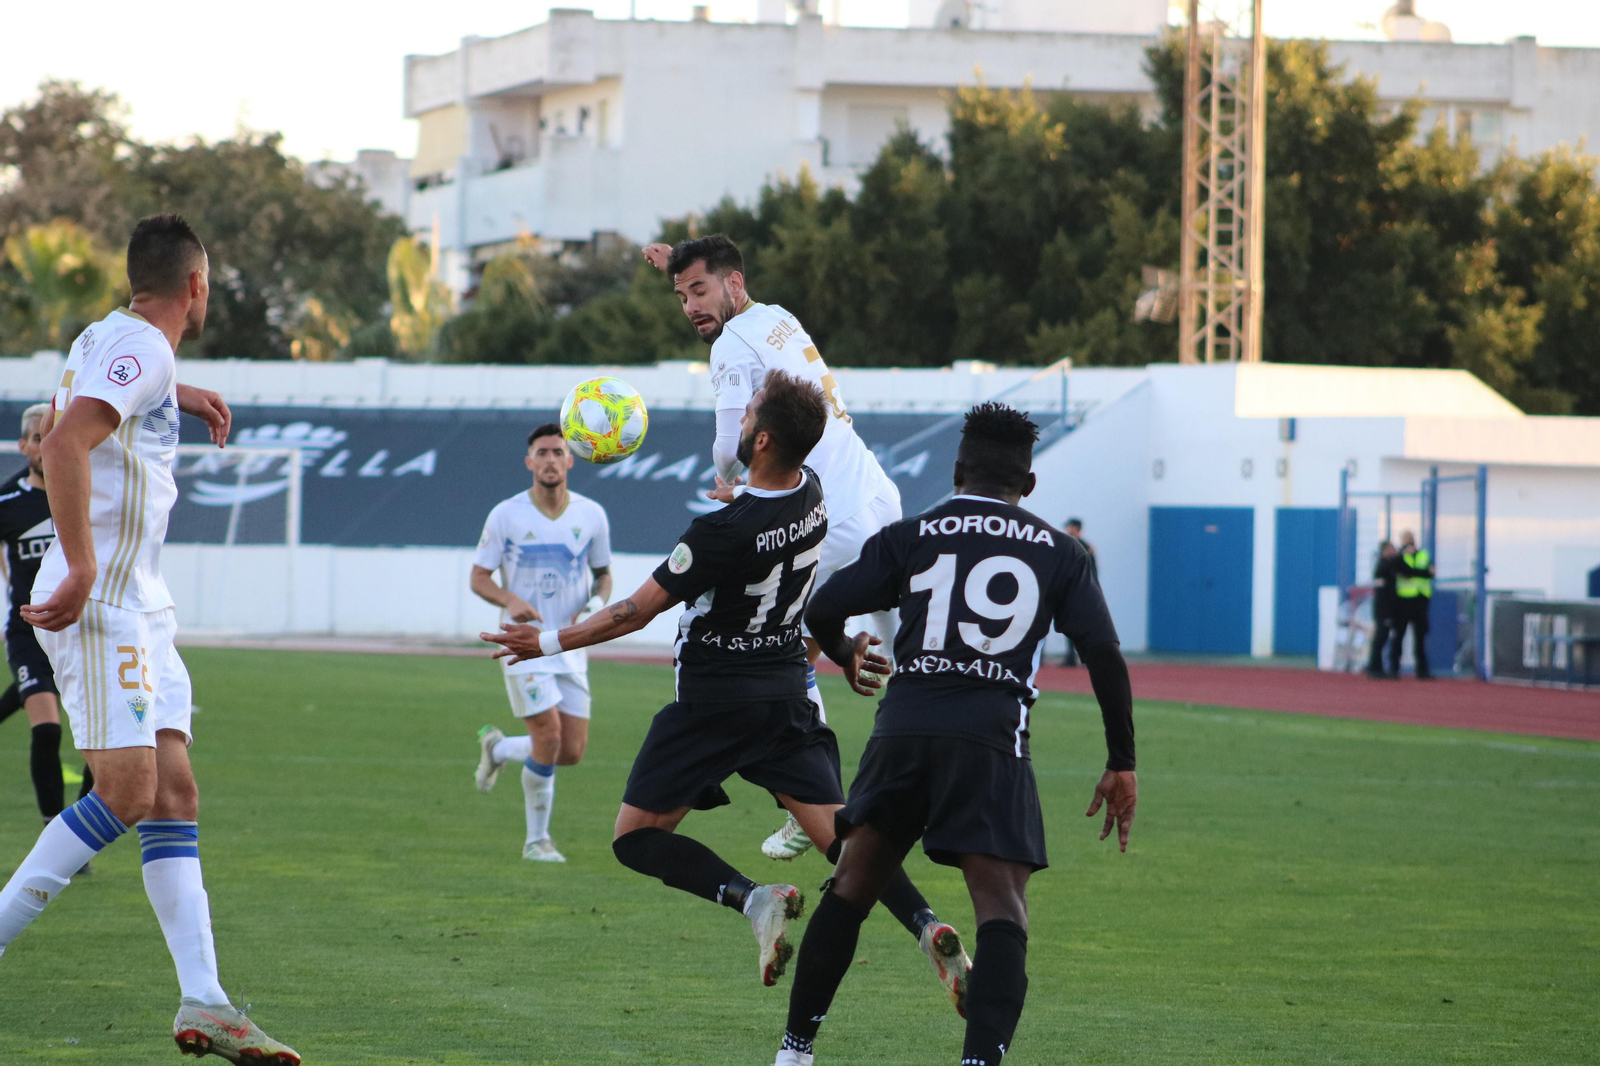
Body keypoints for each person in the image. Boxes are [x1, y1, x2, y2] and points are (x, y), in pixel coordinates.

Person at [481, 371, 970, 1009]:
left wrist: (545, 641)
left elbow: (634, 611)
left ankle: (754, 898)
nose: (738, 421)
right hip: (786, 693)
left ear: (763, 440)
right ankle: (929, 926)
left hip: (714, 701)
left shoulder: (717, 534)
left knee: (635, 839)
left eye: (748, 417)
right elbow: (769, 517)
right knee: (846, 846)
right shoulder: (813, 492)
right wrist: (739, 496)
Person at [0, 215, 299, 1064]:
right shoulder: (147, 350)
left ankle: (205, 1001)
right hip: (108, 602)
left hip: (145, 604)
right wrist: (84, 565)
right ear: (196, 287)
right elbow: (63, 444)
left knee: (174, 793)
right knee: (126, 793)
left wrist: (180, 394)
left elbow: (109, 401)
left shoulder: (113, 335)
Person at [769, 402, 1138, 1066]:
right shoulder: (1062, 552)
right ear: (1028, 486)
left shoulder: (912, 536)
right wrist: (1121, 760)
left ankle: (794, 1053)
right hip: (990, 739)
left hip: (903, 732)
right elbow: (1104, 654)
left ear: (958, 469)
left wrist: (846, 651)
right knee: (1001, 909)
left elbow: (822, 606)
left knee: (852, 886)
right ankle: (979, 1062)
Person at [645, 234, 901, 862]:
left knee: (762, 649)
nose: (688, 307)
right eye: (681, 296)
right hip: (877, 499)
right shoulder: (775, 317)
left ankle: (805, 796)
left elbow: (730, 442)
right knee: (853, 662)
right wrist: (681, 262)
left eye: (698, 291)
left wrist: (729, 480)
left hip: (829, 521)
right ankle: (913, 772)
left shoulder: (732, 342)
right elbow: (720, 272)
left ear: (733, 284)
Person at [469, 424, 612, 863]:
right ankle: (537, 841)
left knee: (570, 751)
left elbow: (604, 575)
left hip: (568, 644)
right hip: (520, 644)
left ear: (571, 461)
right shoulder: (506, 515)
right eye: (542, 452)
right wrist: (510, 599)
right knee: (548, 737)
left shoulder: (592, 516)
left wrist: (593, 607)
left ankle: (499, 748)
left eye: (558, 452)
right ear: (529, 462)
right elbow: (478, 577)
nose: (550, 459)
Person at [0, 405, 95, 829]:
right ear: (24, 447)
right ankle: (53, 829)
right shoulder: (8, 501)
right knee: (48, 731)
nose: (45, 444)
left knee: (102, 743)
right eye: (37, 438)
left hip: (84, 630)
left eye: (52, 434)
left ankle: (83, 831)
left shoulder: (84, 492)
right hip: (30, 631)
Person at [1389, 530, 1435, 679]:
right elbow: (1399, 571)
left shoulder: (1423, 554)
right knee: (1399, 636)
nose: (1409, 541)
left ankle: (1422, 670)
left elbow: (1430, 573)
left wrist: (1412, 573)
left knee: (1420, 637)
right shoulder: (1399, 556)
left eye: (1410, 538)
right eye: (1406, 538)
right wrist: (1419, 572)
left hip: (1421, 601)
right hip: (1403, 601)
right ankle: (1394, 668)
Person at [1059, 518, 1097, 666]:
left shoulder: (1076, 545)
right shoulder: (1085, 546)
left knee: (1077, 626)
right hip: (1082, 591)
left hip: (1076, 592)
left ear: (1075, 528)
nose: (1066, 530)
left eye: (1068, 527)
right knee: (1074, 626)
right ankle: (1072, 657)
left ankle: (1078, 657)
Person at [1367, 540, 1401, 679]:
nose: (1394, 551)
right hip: (1383, 609)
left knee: (1383, 637)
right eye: (1391, 549)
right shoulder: (1383, 565)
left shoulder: (1386, 565)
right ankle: (1374, 668)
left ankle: (1376, 667)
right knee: (1380, 638)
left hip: (1386, 608)